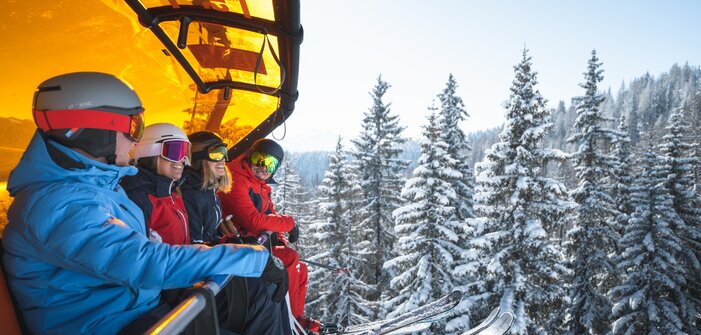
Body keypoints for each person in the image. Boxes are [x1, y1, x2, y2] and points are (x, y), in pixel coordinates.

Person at [1, 72, 288, 335]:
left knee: (254, 302)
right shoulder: (57, 203)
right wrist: (254, 258)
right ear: (95, 130)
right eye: (133, 129)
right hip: (112, 325)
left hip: (139, 311)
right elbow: (143, 260)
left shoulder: (94, 190)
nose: (134, 142)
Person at [121, 124, 292, 334]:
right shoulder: (144, 198)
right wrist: (238, 252)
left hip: (184, 280)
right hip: (174, 291)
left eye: (185, 153)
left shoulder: (172, 193)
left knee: (267, 287)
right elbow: (158, 257)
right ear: (148, 151)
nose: (183, 160)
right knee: (259, 293)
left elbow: (189, 244)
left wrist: (234, 244)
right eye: (176, 151)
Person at [219, 138, 330, 333]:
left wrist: (279, 236)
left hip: (255, 242)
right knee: (289, 259)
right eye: (260, 159)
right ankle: (290, 323)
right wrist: (289, 223)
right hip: (241, 244)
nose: (264, 167)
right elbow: (253, 220)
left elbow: (269, 213)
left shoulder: (258, 184)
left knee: (300, 269)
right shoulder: (236, 180)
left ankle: (297, 318)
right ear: (250, 156)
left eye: (270, 164)